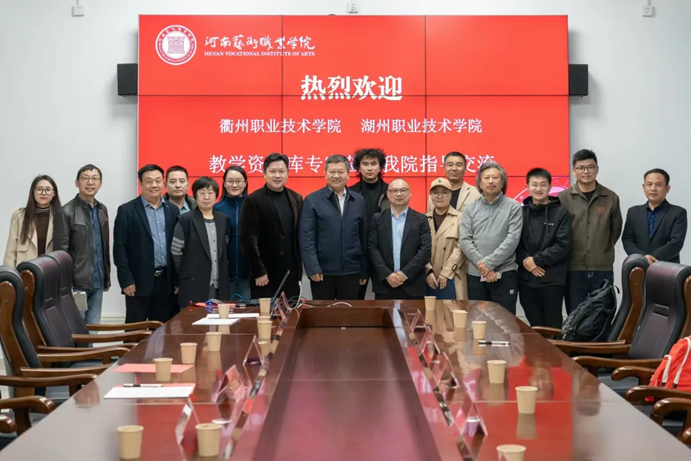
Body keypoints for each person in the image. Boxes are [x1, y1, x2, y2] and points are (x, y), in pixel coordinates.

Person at [558, 149, 623, 314]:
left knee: (602, 314)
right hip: (573, 267)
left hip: (602, 266)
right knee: (575, 314)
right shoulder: (563, 198)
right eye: (581, 168)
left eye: (590, 167)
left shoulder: (611, 197)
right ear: (574, 170)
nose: (586, 171)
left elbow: (615, 230)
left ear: (597, 169)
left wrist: (600, 247)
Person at [113, 164, 180, 322]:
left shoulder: (172, 210)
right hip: (138, 281)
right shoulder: (127, 211)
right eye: (149, 181)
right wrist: (126, 280)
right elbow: (120, 248)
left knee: (163, 329)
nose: (154, 185)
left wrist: (177, 279)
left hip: (166, 282)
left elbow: (176, 248)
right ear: (141, 184)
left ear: (163, 183)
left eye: (158, 181)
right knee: (135, 329)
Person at [300, 154, 368, 300]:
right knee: (323, 313)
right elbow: (306, 238)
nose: (336, 176)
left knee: (349, 312)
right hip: (322, 272)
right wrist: (313, 268)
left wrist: (364, 269)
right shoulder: (312, 200)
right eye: (332, 172)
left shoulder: (359, 201)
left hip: (352, 271)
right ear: (325, 174)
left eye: (340, 172)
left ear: (348, 174)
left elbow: (364, 237)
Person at [460, 161, 522, 314]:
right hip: (476, 273)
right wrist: (483, 266)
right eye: (486, 178)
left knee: (505, 321)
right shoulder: (470, 208)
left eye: (495, 177)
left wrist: (489, 264)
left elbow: (512, 239)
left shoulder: (513, 206)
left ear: (503, 182)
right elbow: (465, 240)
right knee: (477, 320)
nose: (491, 181)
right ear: (480, 184)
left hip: (504, 273)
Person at [240, 154, 303, 299]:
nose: (277, 175)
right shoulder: (253, 200)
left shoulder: (296, 198)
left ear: (287, 173)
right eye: (272, 171)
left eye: (281, 171)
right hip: (265, 275)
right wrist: (259, 271)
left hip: (291, 273)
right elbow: (248, 240)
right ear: (264, 173)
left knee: (291, 310)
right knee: (265, 312)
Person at [53, 165, 110, 325]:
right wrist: (66, 285)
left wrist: (106, 277)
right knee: (76, 327)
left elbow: (104, 246)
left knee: (94, 327)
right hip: (77, 285)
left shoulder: (102, 209)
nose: (90, 182)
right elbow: (60, 254)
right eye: (85, 178)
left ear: (100, 184)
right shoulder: (66, 212)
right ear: (77, 183)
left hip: (98, 280)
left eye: (95, 179)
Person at [516, 168, 572, 328]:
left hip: (552, 279)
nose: (538, 188)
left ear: (550, 187)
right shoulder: (520, 212)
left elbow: (563, 244)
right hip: (526, 279)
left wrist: (536, 260)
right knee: (534, 326)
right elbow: (514, 242)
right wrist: (526, 262)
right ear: (527, 186)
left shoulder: (561, 212)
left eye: (543, 184)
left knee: (553, 325)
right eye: (534, 184)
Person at [172, 177, 230, 307]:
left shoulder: (223, 220)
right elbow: (176, 251)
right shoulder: (185, 220)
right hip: (193, 284)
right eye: (202, 193)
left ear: (216, 195)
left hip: (219, 284)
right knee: (192, 319)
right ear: (195, 196)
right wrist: (185, 273)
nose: (206, 197)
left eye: (210, 193)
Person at [369, 179, 431, 300]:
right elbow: (372, 248)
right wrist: (387, 274)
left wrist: (405, 274)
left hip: (412, 283)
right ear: (388, 194)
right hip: (385, 284)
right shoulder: (377, 219)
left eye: (403, 190)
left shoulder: (421, 219)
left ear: (410, 193)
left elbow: (425, 250)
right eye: (394, 191)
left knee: (413, 314)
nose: (399, 194)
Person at [622, 168, 687, 264]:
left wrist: (650, 259)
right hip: (638, 266)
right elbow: (627, 239)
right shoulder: (633, 212)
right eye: (649, 184)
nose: (653, 188)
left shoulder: (678, 212)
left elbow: (676, 243)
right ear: (643, 187)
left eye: (658, 185)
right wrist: (643, 257)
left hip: (667, 267)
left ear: (667, 188)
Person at [349, 148, 390, 299]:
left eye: (374, 164)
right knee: (355, 299)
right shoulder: (349, 193)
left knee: (386, 299)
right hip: (358, 253)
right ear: (358, 168)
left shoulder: (392, 192)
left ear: (380, 167)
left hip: (384, 253)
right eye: (365, 164)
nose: (370, 168)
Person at [4, 175, 61, 266]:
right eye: (39, 189)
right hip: (25, 271)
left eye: (48, 189)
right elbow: (10, 252)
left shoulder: (61, 216)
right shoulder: (19, 217)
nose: (43, 193)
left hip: (51, 270)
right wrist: (8, 273)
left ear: (54, 193)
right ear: (33, 192)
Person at [214, 166, 251, 299]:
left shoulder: (253, 206)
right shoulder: (216, 208)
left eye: (238, 181)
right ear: (224, 183)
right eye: (230, 181)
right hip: (223, 276)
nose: (234, 185)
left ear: (245, 183)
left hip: (249, 276)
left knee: (249, 310)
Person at [425, 178, 463, 300]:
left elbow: (461, 247)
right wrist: (427, 270)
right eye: (435, 193)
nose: (439, 196)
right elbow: (418, 249)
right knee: (428, 311)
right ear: (430, 195)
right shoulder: (423, 219)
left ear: (451, 195)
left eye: (444, 193)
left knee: (451, 310)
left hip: (451, 276)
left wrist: (446, 273)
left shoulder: (461, 218)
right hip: (428, 277)